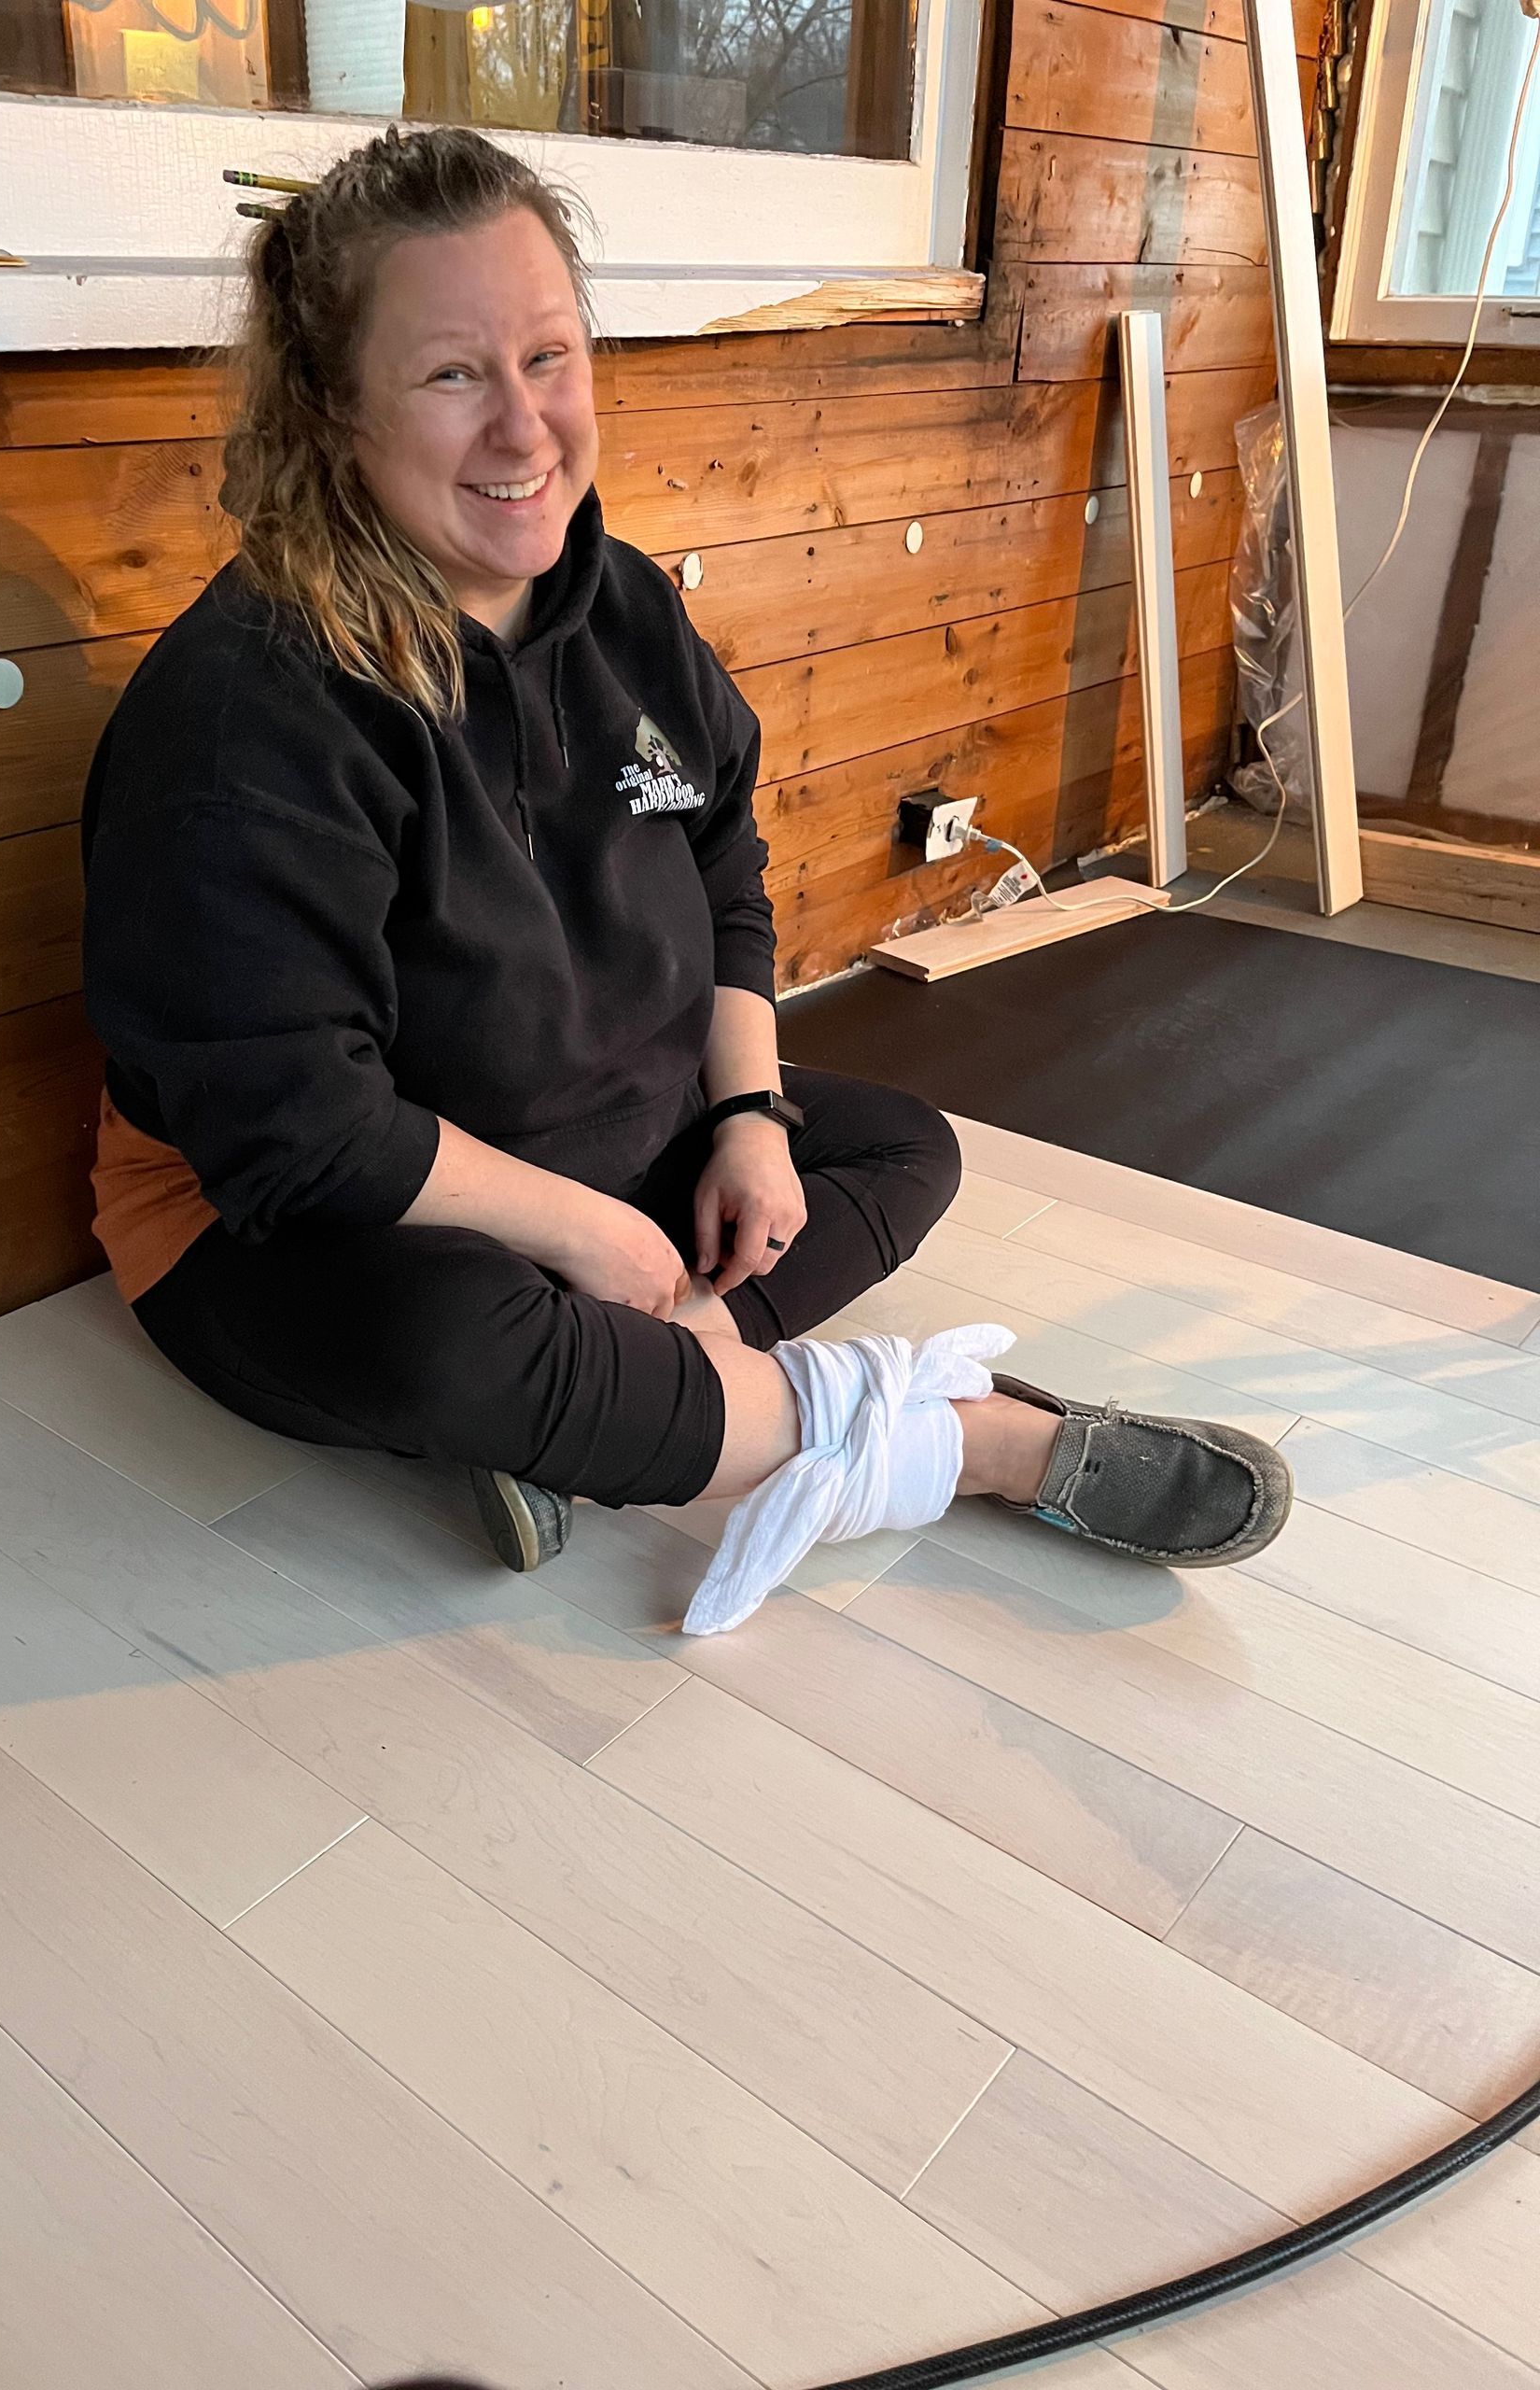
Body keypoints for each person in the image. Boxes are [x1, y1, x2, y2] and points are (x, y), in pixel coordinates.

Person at [80, 126, 1291, 1634]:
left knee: (902, 1149)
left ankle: (613, 1407)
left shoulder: (625, 606)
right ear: (335, 413)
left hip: (599, 1124)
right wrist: (596, 1236)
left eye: (550, 357)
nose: (524, 432)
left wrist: (747, 1121)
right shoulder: (243, 708)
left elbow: (724, 863)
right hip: (294, 1220)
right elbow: (297, 1132)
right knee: (457, 1346)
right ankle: (963, 1442)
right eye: (452, 375)